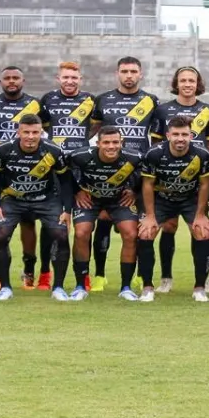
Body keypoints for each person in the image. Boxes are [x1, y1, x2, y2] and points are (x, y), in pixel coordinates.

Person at [89, 57, 158, 292]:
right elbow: (92, 133)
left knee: (139, 228)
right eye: (125, 71)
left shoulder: (151, 101)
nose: (129, 75)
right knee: (104, 222)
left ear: (141, 74)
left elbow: (156, 137)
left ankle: (139, 275)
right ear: (117, 73)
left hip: (140, 173)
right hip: (110, 172)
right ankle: (99, 275)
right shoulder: (103, 100)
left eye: (133, 71)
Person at [0, 114, 73, 301]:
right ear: (18, 132)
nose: (31, 137)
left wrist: (67, 210)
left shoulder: (53, 150)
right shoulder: (3, 150)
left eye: (35, 132)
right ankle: (5, 288)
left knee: (61, 235)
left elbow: (66, 181)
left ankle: (58, 288)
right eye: (26, 132)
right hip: (12, 199)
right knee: (0, 235)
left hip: (46, 200)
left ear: (41, 132)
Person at [148, 66, 209, 293]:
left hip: (195, 181)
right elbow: (157, 142)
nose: (187, 84)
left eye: (191, 81)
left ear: (198, 84)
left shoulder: (208, 110)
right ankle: (166, 278)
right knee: (169, 226)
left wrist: (195, 164)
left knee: (200, 228)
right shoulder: (163, 110)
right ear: (176, 83)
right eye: (183, 80)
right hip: (167, 181)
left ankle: (204, 280)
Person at [0, 66, 42, 290]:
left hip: (29, 170)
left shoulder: (36, 104)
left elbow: (45, 131)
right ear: (0, 81)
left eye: (16, 78)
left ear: (23, 81)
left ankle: (29, 268)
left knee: (28, 222)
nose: (12, 81)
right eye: (7, 78)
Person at [139, 116, 209, 300]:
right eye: (176, 134)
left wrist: (200, 215)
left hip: (190, 200)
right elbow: (148, 184)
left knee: (203, 232)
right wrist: (149, 215)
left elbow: (205, 184)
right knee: (146, 233)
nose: (180, 139)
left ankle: (199, 288)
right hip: (162, 200)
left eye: (184, 134)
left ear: (191, 136)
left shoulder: (202, 155)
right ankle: (148, 288)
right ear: (168, 136)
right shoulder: (154, 154)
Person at [66, 126, 143, 301]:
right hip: (90, 199)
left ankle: (126, 288)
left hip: (119, 200)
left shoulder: (134, 157)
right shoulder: (80, 156)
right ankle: (80, 286)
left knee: (131, 234)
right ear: (98, 143)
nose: (111, 146)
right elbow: (64, 172)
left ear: (121, 143)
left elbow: (147, 175)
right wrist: (77, 191)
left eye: (115, 142)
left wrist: (134, 191)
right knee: (81, 233)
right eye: (106, 143)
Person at [38, 61, 97, 291]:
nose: (70, 81)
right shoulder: (47, 99)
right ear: (58, 79)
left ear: (80, 79)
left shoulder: (90, 100)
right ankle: (45, 273)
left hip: (82, 169)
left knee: (85, 225)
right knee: (52, 224)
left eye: (74, 77)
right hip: (54, 168)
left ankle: (85, 275)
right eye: (65, 77)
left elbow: (96, 125)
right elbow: (44, 126)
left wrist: (80, 141)